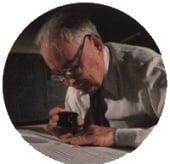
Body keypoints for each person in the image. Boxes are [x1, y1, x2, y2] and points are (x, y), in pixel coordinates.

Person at [36, 13, 167, 148]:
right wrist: (70, 130)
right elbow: (85, 133)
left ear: (96, 44)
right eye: (59, 74)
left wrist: (114, 136)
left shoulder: (150, 70)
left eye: (73, 68)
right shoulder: (75, 88)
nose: (69, 83)